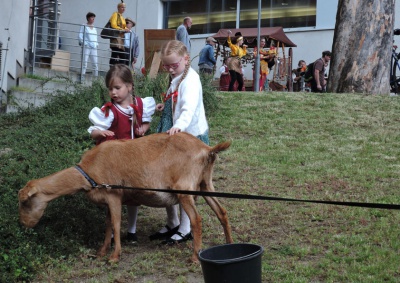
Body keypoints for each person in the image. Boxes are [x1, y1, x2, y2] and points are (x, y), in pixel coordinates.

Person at [87, 64, 156, 244]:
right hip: (115, 161)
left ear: (130, 86)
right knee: (113, 195)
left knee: (133, 195)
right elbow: (93, 131)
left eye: (117, 88)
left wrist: (143, 129)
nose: (113, 93)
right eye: (110, 89)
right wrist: (100, 133)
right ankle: (110, 231)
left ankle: (131, 231)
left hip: (134, 158)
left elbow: (146, 122)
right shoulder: (109, 110)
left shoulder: (141, 104)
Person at [149, 40, 209, 245]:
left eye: (173, 65)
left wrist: (179, 126)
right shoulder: (176, 76)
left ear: (186, 59)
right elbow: (174, 99)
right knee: (167, 178)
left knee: (184, 184)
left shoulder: (191, 80)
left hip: (187, 137)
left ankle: (186, 228)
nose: (169, 69)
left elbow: (188, 109)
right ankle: (173, 221)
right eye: (166, 66)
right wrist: (162, 106)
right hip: (172, 132)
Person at [108, 0, 130, 66]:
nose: (124, 9)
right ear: (118, 8)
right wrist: (122, 29)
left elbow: (124, 26)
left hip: (120, 38)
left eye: (124, 7)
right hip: (115, 38)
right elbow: (113, 25)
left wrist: (126, 29)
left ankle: (120, 69)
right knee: (115, 54)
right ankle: (112, 68)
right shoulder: (115, 14)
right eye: (122, 7)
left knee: (122, 55)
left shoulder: (122, 17)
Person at [78, 12, 98, 76]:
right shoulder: (84, 26)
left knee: (95, 64)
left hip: (94, 47)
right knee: (84, 63)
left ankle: (96, 79)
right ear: (88, 18)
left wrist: (96, 44)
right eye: (92, 18)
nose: (93, 19)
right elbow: (80, 35)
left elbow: (95, 37)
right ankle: (82, 77)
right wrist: (84, 43)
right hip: (86, 47)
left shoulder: (94, 28)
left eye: (94, 18)